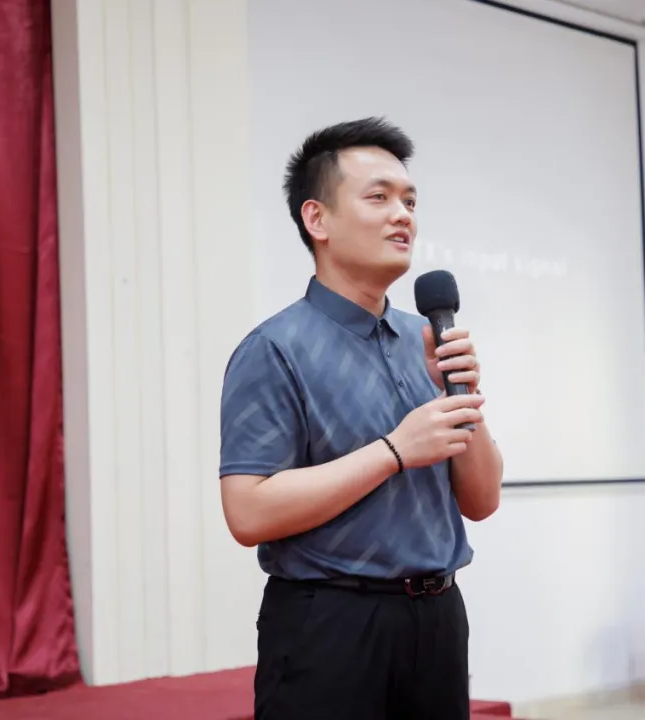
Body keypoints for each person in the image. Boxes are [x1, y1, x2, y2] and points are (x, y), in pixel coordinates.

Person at [218, 117, 504, 720]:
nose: (403, 216)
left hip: (438, 620)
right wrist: (395, 451)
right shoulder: (274, 349)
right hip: (331, 627)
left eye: (410, 202)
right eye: (379, 198)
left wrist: (464, 394)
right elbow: (248, 512)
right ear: (317, 219)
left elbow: (481, 501)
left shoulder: (426, 338)